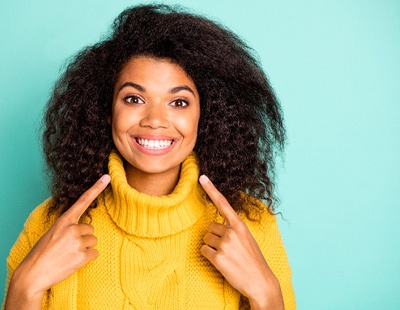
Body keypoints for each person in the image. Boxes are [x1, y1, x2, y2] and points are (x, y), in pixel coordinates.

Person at [3, 4, 295, 309]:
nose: (155, 119)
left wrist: (266, 294)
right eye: (134, 98)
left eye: (179, 102)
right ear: (106, 112)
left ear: (206, 116)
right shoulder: (48, 225)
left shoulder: (252, 226)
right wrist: (26, 286)